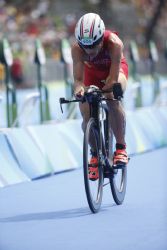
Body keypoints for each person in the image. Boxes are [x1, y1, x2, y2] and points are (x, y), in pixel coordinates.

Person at [71, 13, 129, 180]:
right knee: (85, 108)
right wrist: (80, 91)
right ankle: (95, 154)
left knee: (111, 95)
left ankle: (120, 147)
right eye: (85, 47)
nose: (90, 51)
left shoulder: (114, 43)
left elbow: (111, 80)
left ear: (101, 39)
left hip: (114, 71)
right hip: (92, 74)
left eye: (94, 46)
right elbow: (78, 81)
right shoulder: (76, 49)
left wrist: (110, 88)